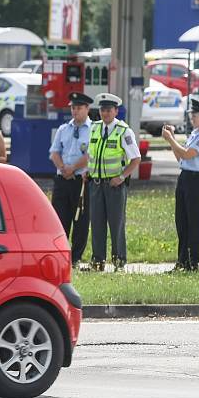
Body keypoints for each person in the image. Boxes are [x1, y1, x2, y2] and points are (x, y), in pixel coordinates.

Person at [87, 93, 141, 271]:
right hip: (95, 184)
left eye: (109, 110)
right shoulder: (94, 128)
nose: (105, 113)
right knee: (96, 223)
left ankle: (119, 262)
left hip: (114, 186)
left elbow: (135, 159)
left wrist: (122, 177)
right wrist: (88, 170)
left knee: (116, 224)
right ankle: (98, 262)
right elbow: (91, 154)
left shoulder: (123, 131)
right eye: (102, 110)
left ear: (116, 111)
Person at [162, 98, 199, 271]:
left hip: (198, 180)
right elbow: (181, 157)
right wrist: (171, 141)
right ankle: (183, 261)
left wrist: (171, 139)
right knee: (182, 221)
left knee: (194, 221)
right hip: (186, 176)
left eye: (194, 115)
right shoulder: (195, 133)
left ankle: (196, 262)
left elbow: (188, 154)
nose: (191, 118)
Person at [49, 92, 93, 267]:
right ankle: (60, 254)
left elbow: (90, 155)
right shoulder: (63, 129)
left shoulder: (93, 129)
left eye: (79, 108)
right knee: (59, 219)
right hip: (62, 179)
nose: (75, 111)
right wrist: (62, 168)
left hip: (80, 181)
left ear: (87, 109)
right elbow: (54, 152)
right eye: (73, 108)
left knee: (81, 220)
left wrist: (73, 168)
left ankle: (75, 258)